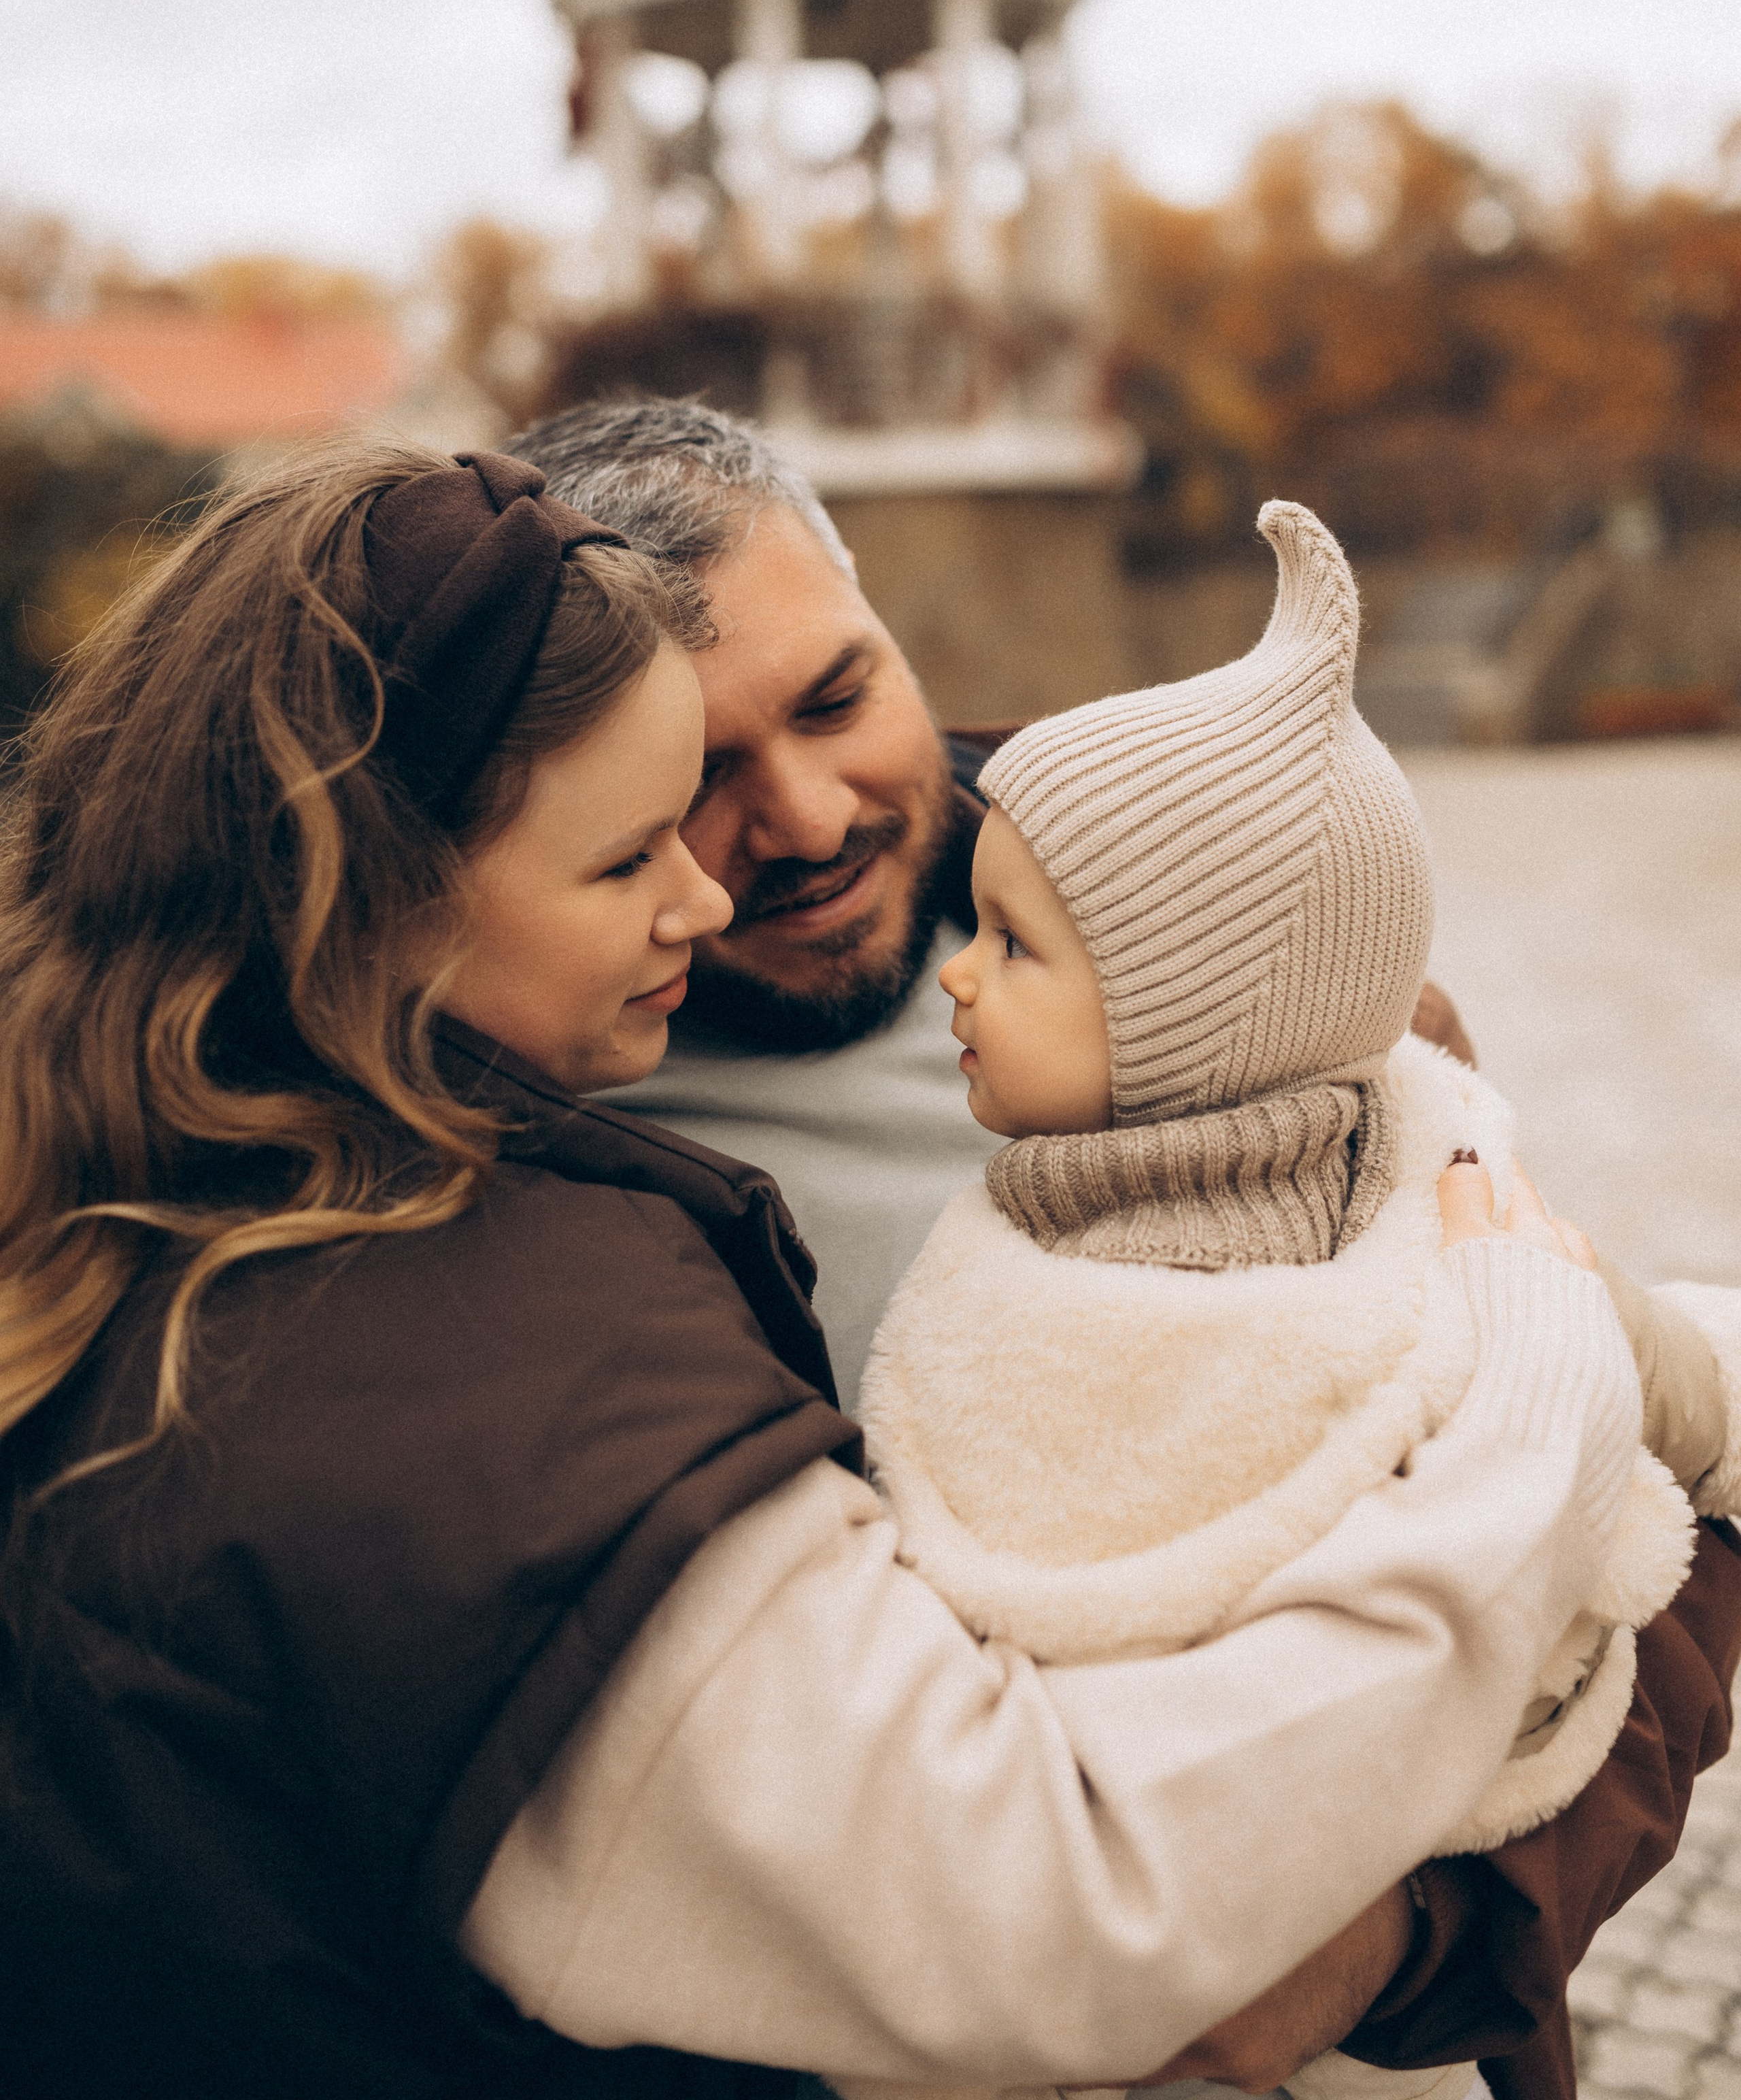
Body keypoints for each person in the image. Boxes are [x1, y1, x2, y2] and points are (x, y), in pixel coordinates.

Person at [0, 445, 1639, 2100]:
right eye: (648, 831)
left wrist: (1441, 1921)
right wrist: (1534, 1447)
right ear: (378, 900)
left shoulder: (1223, 937)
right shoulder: (471, 1308)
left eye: (839, 691)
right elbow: (1047, 1904)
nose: (736, 868)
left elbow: (1608, 1454)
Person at [504, 396, 1741, 2100]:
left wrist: (1406, 1930)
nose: (797, 816)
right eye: (700, 774)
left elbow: (1621, 1510)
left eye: (836, 695)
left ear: (880, 611)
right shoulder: (544, 1159)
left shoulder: (1246, 948)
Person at [859, 497, 1741, 2100]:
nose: (954, 975)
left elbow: (1618, 1355)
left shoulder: (1424, 1200)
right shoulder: (1042, 1241)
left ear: (1193, 1018)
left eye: (1009, 945)